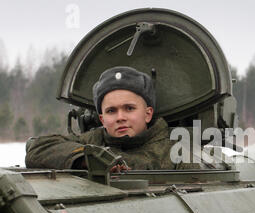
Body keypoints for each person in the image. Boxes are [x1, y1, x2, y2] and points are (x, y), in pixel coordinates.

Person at [25, 66, 198, 171]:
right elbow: (37, 149)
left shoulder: (177, 153)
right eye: (111, 111)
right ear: (102, 118)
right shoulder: (92, 141)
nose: (120, 117)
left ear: (148, 114)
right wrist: (86, 159)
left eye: (129, 108)